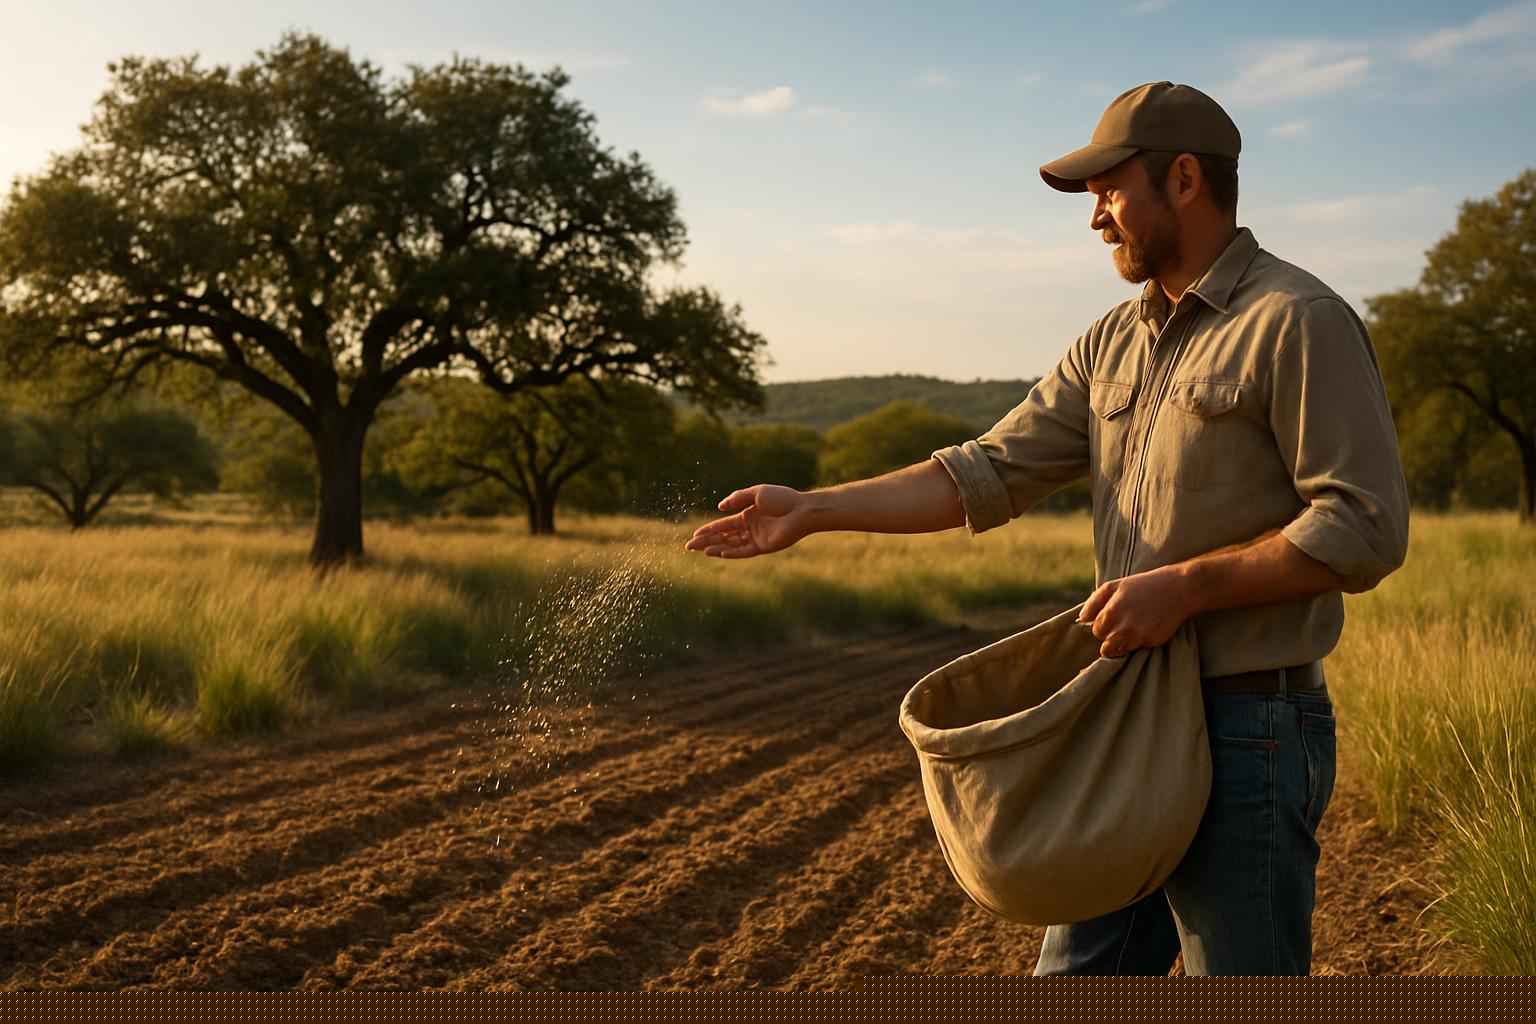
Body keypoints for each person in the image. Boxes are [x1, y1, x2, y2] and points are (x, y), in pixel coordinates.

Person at [681, 80, 1410, 976]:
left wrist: (1184, 588)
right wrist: (814, 508)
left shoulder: (1296, 322)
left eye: (1110, 190)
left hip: (1250, 721)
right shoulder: (1109, 343)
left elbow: (1363, 525)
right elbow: (983, 473)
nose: (1097, 218)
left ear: (1183, 179)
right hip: (1120, 716)